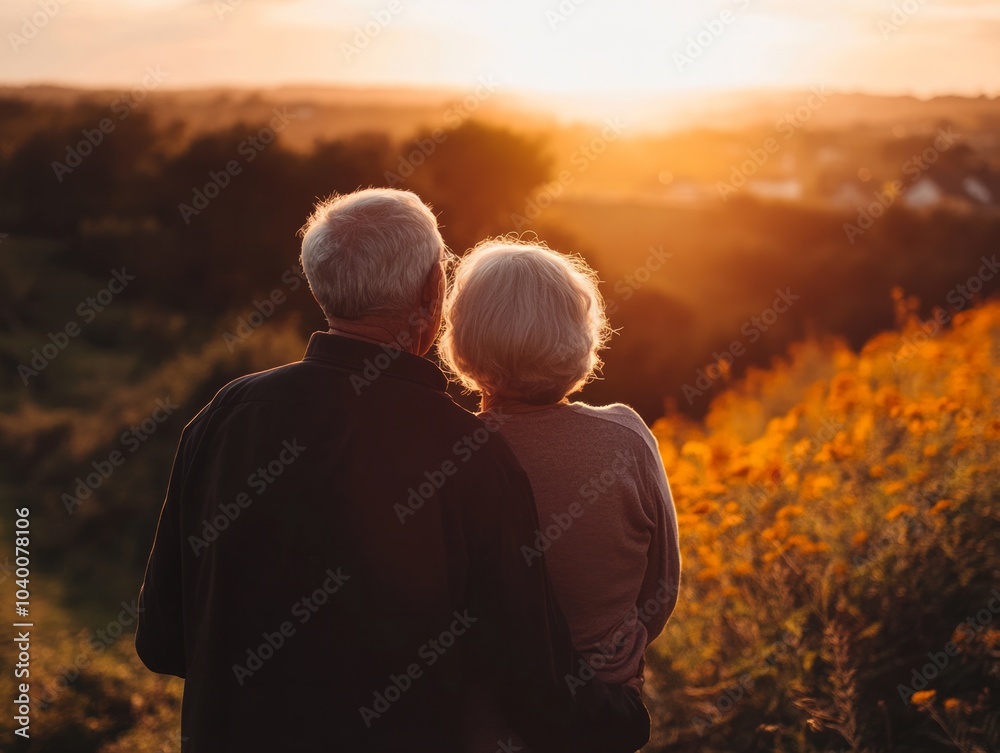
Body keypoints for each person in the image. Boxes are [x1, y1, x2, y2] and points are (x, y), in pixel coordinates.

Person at [135, 188, 650, 753]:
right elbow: (529, 677)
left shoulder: (225, 417)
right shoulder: (471, 455)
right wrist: (624, 716)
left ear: (321, 285)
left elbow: (163, 643)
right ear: (434, 292)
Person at [439, 238, 681, 750]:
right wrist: (607, 649)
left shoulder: (448, 452)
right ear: (579, 333)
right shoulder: (627, 437)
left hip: (485, 725)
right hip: (602, 713)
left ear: (463, 339)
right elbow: (661, 587)